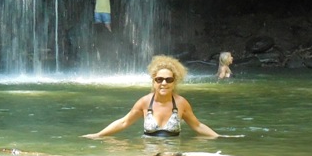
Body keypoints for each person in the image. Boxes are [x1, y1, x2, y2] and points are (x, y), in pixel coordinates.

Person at [83, 55, 220, 138]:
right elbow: (124, 122)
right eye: (159, 79)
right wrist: (98, 135)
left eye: (169, 80)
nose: (164, 83)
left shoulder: (181, 103)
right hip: (148, 152)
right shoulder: (144, 102)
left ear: (174, 82)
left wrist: (219, 137)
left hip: (172, 153)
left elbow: (197, 126)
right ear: (154, 81)